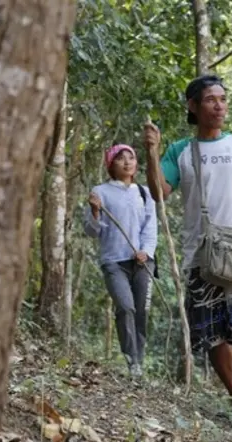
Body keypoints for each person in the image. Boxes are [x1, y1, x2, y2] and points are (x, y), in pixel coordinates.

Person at [143, 74, 232, 417]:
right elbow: (159, 192)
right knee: (210, 333)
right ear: (193, 106)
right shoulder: (180, 151)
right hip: (200, 252)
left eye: (222, 98)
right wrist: (151, 152)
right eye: (210, 99)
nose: (219, 105)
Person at [84, 143, 157, 378]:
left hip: (142, 262)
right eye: (120, 158)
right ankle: (130, 360)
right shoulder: (101, 192)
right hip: (114, 262)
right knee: (126, 308)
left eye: (131, 157)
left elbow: (151, 229)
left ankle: (139, 362)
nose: (127, 162)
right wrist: (95, 212)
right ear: (110, 164)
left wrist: (146, 251)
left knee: (142, 313)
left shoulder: (144, 193)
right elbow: (91, 231)